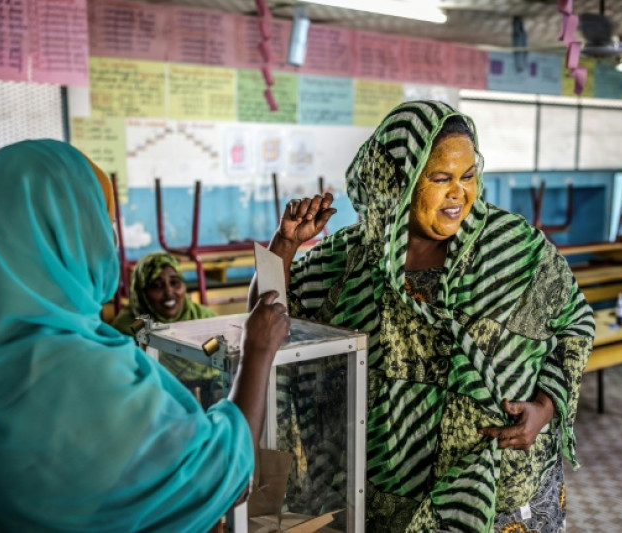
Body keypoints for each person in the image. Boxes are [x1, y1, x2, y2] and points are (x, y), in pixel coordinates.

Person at [0, 139, 290, 532]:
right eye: (102, 223)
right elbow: (217, 477)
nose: (109, 239)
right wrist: (257, 352)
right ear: (76, 236)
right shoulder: (87, 373)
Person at [252, 100, 595, 532]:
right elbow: (266, 318)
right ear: (399, 181)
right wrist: (284, 245)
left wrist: (545, 407)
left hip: (500, 494)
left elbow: (575, 325)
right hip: (387, 493)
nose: (459, 193)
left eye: (468, 176)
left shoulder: (516, 250)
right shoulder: (352, 258)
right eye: (440, 178)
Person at [112, 252, 224, 405]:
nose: (169, 293)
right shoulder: (129, 327)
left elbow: (222, 361)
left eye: (175, 283)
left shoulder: (203, 318)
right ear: (142, 291)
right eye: (157, 286)